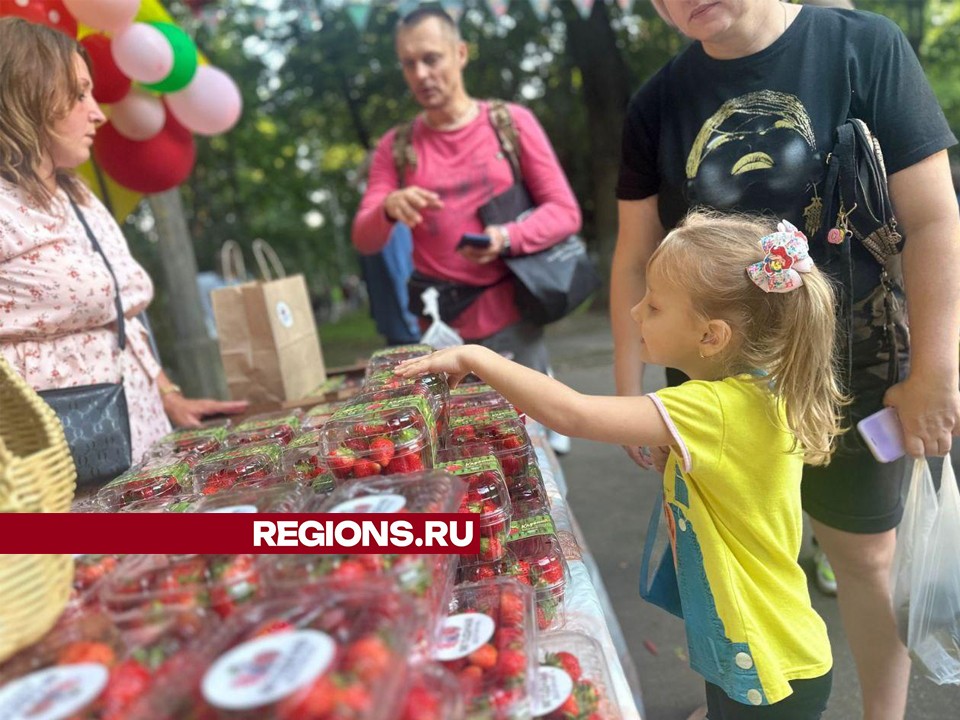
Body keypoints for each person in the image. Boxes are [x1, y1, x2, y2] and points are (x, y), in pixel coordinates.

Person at [611, 3, 960, 717]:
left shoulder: (864, 49)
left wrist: (937, 370)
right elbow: (633, 253)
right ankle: (747, 695)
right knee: (727, 560)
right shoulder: (656, 103)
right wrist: (627, 390)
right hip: (712, 387)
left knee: (864, 559)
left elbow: (932, 218)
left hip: (852, 373)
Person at [399, 212, 841, 719]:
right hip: (765, 639)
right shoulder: (751, 391)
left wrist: (478, 358)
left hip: (769, 660)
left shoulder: (714, 409)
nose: (634, 313)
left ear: (711, 336)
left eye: (653, 306)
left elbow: (572, 413)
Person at [0, 18, 246, 466]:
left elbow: (121, 314)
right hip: (49, 466)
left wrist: (167, 392)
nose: (97, 111)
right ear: (26, 94)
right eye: (78, 94)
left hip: (141, 440)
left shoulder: (78, 196)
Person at [351, 6, 581, 452]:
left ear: (460, 53)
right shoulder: (395, 148)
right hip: (439, 329)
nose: (420, 73)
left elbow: (564, 210)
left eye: (431, 58)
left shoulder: (509, 123)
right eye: (408, 63)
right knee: (459, 451)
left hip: (512, 321)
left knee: (529, 450)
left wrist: (505, 238)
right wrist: (388, 208)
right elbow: (364, 237)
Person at [358, 222, 420, 346]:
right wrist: (411, 319)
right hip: (405, 321)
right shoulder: (393, 225)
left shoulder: (367, 226)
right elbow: (400, 273)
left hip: (392, 319)